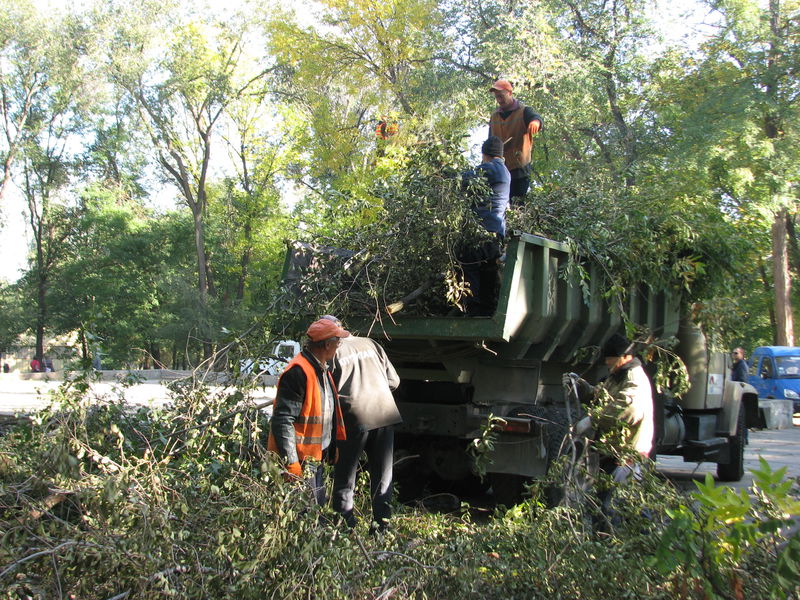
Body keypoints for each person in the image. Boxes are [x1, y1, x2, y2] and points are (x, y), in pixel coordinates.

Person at [563, 333, 654, 528]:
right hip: (614, 453)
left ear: (623, 356)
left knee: (612, 507)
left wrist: (592, 419)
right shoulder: (618, 375)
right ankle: (628, 545)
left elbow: (629, 408)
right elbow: (603, 394)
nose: (606, 361)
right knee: (615, 504)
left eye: (609, 357)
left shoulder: (633, 377)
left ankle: (613, 545)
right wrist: (582, 386)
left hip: (627, 456)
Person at [321, 315, 402, 532]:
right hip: (385, 414)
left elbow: (327, 393)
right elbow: (394, 381)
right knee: (383, 476)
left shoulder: (331, 352)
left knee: (345, 475)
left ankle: (344, 527)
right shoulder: (370, 343)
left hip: (353, 417)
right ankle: (382, 527)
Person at [267, 318, 350, 505]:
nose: (339, 346)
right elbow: (282, 420)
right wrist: (291, 462)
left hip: (315, 455)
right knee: (306, 512)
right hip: (301, 459)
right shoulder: (298, 372)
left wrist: (332, 446)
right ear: (327, 344)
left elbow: (326, 412)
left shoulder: (321, 369)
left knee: (316, 508)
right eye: (338, 341)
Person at [459, 135, 511, 316]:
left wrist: (446, 174)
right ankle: (488, 310)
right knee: (488, 270)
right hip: (496, 231)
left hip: (483, 229)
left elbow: (466, 178)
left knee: (467, 264)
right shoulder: (504, 170)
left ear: (485, 154)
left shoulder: (492, 168)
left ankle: (473, 310)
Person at [488, 79, 543, 204]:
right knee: (497, 205)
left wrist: (536, 122)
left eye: (501, 96)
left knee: (518, 205)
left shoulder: (524, 111)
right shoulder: (494, 116)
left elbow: (536, 118)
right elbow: (490, 142)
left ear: (510, 93)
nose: (499, 100)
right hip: (500, 169)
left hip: (519, 169)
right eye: (497, 97)